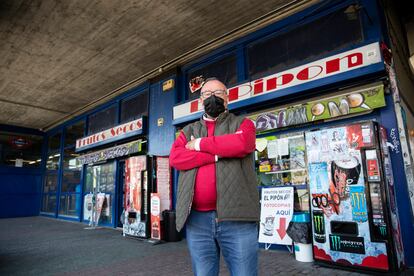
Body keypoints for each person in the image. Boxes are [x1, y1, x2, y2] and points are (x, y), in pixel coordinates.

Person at [169, 77, 260, 276]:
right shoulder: (187, 130)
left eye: (218, 93)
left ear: (227, 98)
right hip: (197, 221)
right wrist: (218, 155)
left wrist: (200, 145)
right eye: (207, 94)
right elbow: (176, 158)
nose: (212, 98)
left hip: (238, 217)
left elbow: (242, 144)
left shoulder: (243, 124)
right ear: (200, 100)